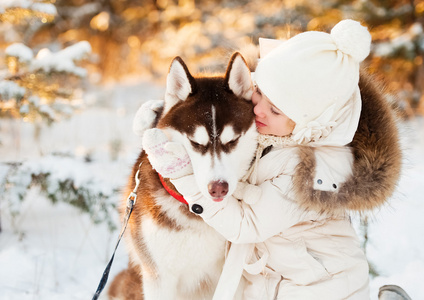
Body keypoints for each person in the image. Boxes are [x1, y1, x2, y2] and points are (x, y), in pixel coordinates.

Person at [142, 19, 403, 299]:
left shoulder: (309, 169)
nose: (259, 110)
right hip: (277, 281)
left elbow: (246, 226)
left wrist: (182, 176)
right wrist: (165, 119)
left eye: (276, 110)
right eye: (261, 93)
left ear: (307, 123)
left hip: (319, 288)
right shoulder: (273, 136)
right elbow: (212, 115)